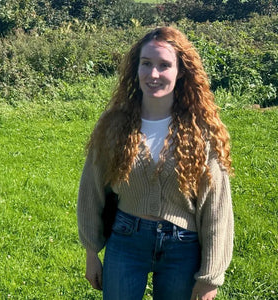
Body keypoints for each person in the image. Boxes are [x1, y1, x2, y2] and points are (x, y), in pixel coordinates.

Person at [77, 27, 234, 300]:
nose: (153, 74)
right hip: (126, 242)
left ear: (181, 71)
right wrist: (92, 253)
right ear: (136, 68)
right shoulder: (113, 125)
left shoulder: (201, 130)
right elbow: (91, 190)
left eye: (164, 65)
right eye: (146, 64)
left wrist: (210, 278)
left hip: (183, 248)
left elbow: (217, 207)